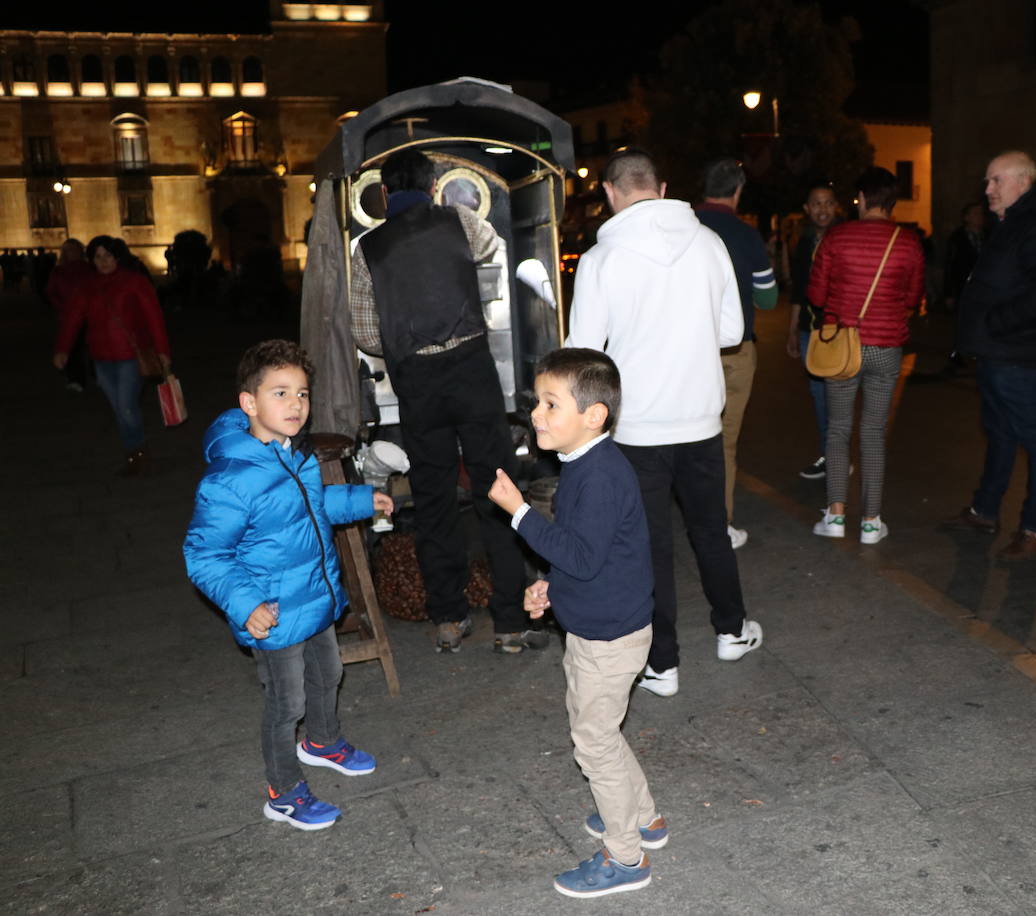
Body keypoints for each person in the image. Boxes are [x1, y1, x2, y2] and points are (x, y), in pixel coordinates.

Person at [565, 146, 762, 699]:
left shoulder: (602, 259)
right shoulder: (709, 242)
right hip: (700, 415)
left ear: (609, 191)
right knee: (710, 531)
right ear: (662, 184)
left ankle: (663, 663)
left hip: (636, 428)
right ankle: (731, 630)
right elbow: (731, 333)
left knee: (649, 545)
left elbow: (585, 352)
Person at [184, 340, 393, 831]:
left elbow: (315, 506)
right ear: (249, 404)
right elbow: (203, 554)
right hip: (274, 613)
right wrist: (246, 604)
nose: (296, 404)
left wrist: (365, 500)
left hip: (314, 598)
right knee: (286, 703)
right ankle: (283, 790)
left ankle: (322, 741)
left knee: (329, 673)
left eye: (302, 393)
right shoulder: (231, 480)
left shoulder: (292, 455)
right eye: (280, 393)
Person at [488, 349, 665, 899]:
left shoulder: (600, 475)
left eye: (550, 403)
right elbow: (591, 556)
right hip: (599, 624)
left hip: (610, 636)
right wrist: (553, 586)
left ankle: (626, 858)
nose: (537, 414)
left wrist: (519, 512)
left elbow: (584, 556)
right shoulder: (587, 466)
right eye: (537, 402)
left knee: (593, 742)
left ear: (594, 416)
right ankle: (645, 820)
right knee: (599, 731)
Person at [350, 148, 541, 655]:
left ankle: (449, 617)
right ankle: (510, 621)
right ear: (434, 186)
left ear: (385, 192)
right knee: (496, 488)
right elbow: (486, 249)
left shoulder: (368, 249)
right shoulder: (459, 220)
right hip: (471, 370)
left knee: (433, 499)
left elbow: (367, 335)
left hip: (417, 383)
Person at [945, 151, 1036, 559]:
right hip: (996, 354)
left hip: (1017, 356)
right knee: (999, 433)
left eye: (995, 181)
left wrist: (996, 324)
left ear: (1023, 182)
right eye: (988, 181)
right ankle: (985, 510)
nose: (987, 191)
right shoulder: (1013, 223)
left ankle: (1034, 530)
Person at [807, 166, 925, 546]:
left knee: (838, 430)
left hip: (843, 347)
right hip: (887, 348)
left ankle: (836, 516)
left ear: (861, 198)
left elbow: (816, 296)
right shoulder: (908, 243)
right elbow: (912, 298)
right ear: (892, 201)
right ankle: (872, 522)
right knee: (874, 432)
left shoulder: (837, 238)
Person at [695, 157, 778, 549]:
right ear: (738, 190)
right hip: (734, 350)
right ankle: (720, 523)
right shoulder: (745, 235)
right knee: (724, 439)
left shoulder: (686, 228)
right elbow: (769, 297)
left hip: (688, 349)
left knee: (686, 435)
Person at [53, 235, 171, 476]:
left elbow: (154, 318)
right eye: (98, 257)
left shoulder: (134, 282)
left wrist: (162, 352)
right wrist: (63, 349)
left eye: (108, 256)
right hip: (101, 358)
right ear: (92, 260)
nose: (103, 261)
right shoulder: (87, 286)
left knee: (126, 407)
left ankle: (136, 454)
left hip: (130, 356)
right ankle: (136, 451)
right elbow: (73, 319)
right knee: (119, 408)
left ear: (117, 256)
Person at [787, 181, 841, 479]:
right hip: (811, 331)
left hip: (841, 331)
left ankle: (837, 457)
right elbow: (798, 289)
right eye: (816, 203)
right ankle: (829, 457)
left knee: (840, 397)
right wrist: (793, 330)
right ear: (807, 209)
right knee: (819, 395)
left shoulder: (845, 237)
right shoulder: (804, 242)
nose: (823, 209)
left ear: (837, 206)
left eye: (828, 202)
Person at [940, 202, 985, 374]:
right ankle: (957, 352)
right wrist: (949, 293)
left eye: (981, 213)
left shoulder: (986, 236)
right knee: (962, 321)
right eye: (975, 213)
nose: (979, 217)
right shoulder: (957, 238)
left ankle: (977, 351)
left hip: (981, 288)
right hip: (962, 287)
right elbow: (950, 265)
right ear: (966, 217)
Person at [46, 238, 95, 393]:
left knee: (95, 346)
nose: (71, 253)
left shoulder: (89, 269)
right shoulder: (59, 271)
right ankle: (76, 379)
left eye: (74, 249)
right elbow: (51, 292)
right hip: (68, 315)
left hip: (90, 315)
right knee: (73, 349)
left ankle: (98, 374)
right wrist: (63, 307)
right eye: (68, 250)